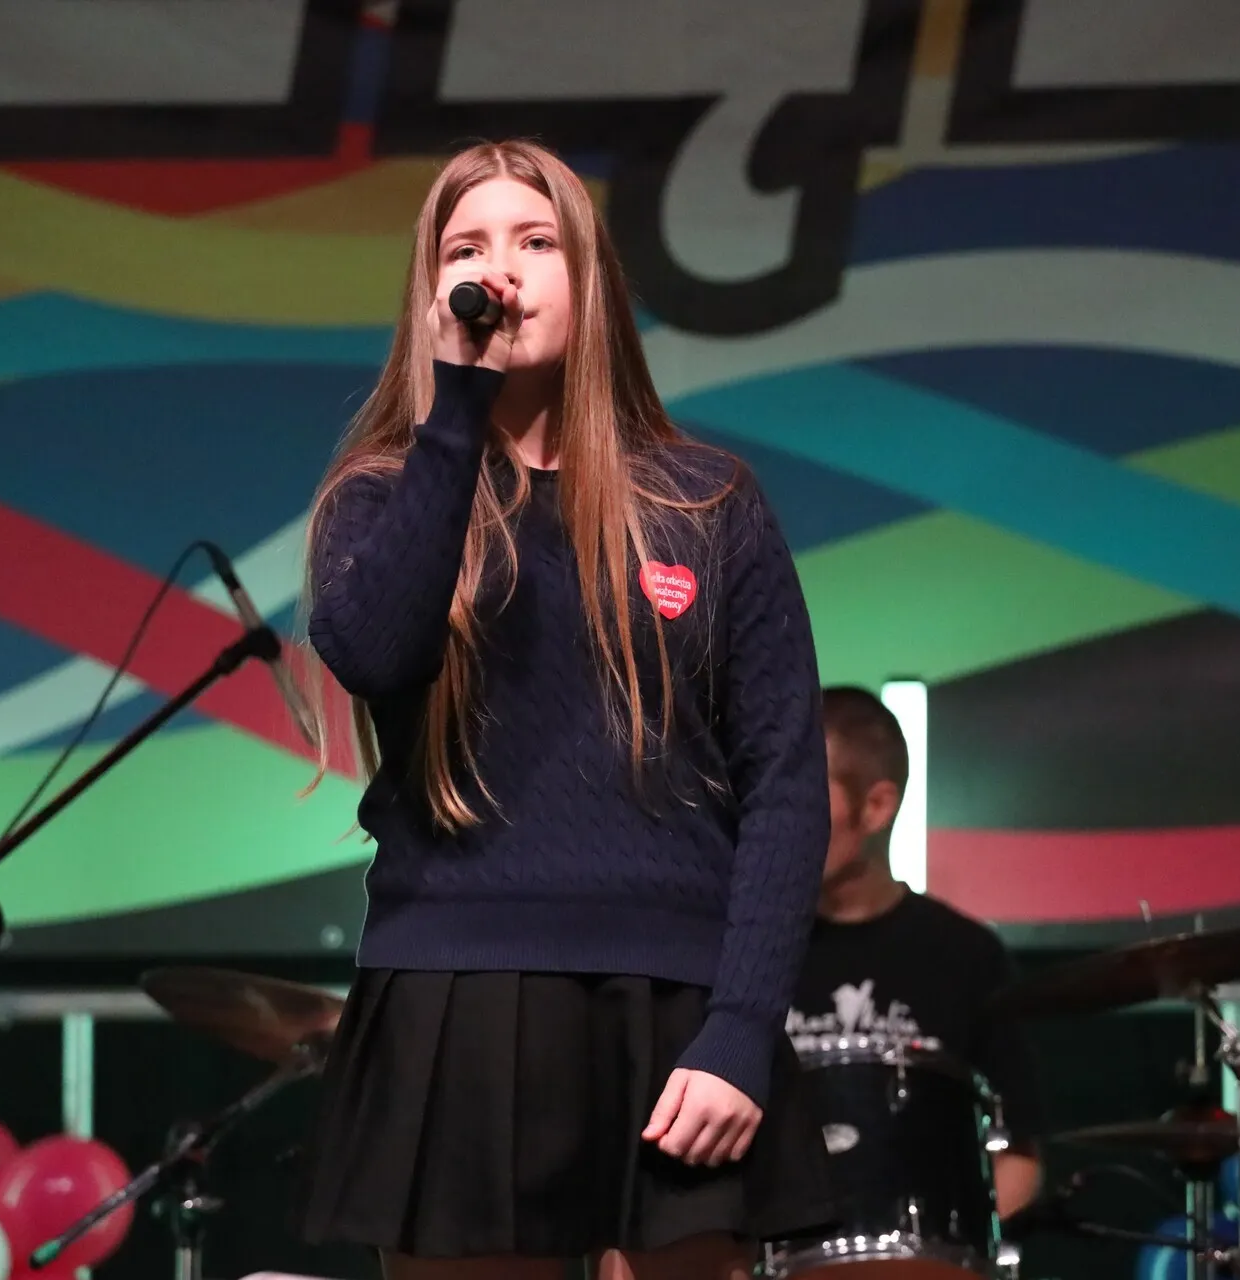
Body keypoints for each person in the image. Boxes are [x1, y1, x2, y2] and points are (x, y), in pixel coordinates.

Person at [291, 138, 837, 1280]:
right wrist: (457, 408)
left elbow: (786, 781)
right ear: (432, 291)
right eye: (467, 249)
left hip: (674, 994)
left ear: (589, 276)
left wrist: (742, 1027)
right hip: (458, 989)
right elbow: (377, 650)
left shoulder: (707, 502)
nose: (502, 270)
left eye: (535, 241)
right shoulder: (381, 494)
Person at [784, 686, 1045, 1218]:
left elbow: (1020, 1157)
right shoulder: (745, 946)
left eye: (801, 793)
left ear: (876, 806)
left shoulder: (967, 955)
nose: (778, 818)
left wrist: (957, 1246)